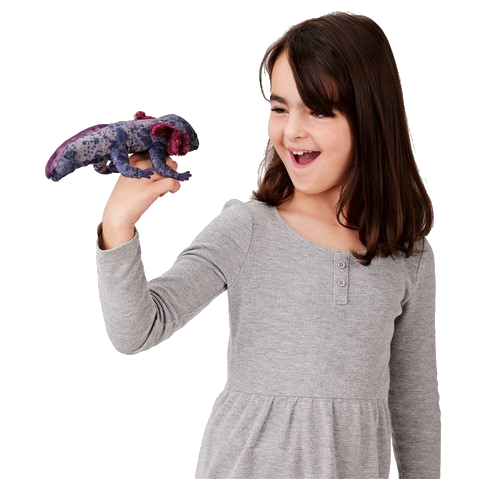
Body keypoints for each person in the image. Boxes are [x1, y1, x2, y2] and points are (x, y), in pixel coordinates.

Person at [96, 11, 440, 478]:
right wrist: (118, 223)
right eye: (280, 107)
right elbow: (137, 331)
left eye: (319, 110)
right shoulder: (247, 228)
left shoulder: (408, 255)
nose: (292, 131)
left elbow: (415, 400)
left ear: (370, 117)